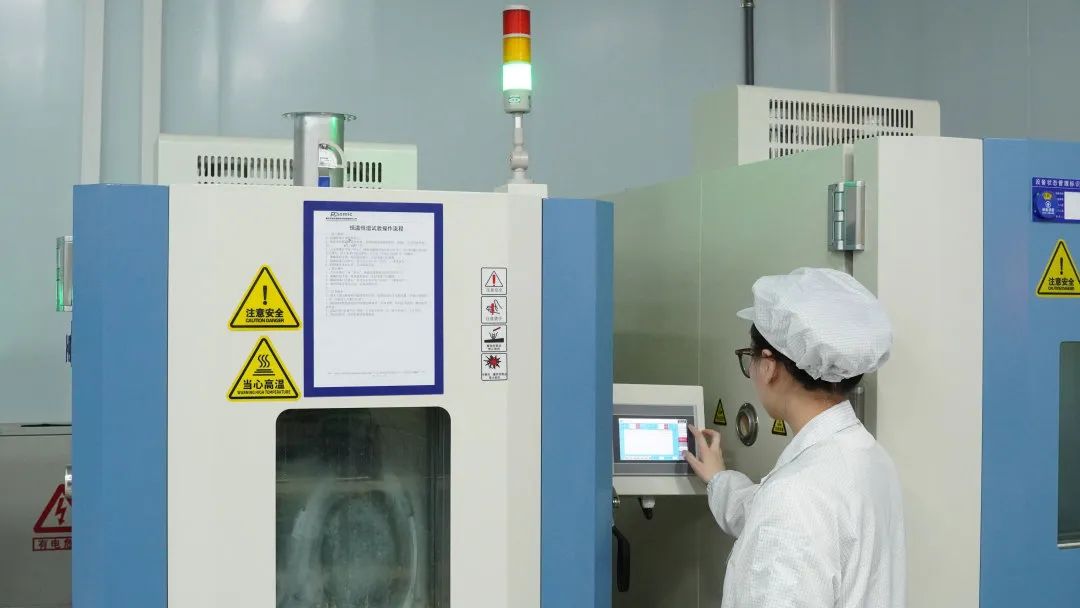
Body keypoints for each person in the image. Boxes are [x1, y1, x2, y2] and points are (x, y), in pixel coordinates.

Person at [683, 267, 905, 608]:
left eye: (749, 358)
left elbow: (784, 513)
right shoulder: (871, 459)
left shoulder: (795, 494)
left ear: (769, 365)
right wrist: (718, 479)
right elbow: (764, 511)